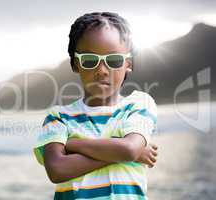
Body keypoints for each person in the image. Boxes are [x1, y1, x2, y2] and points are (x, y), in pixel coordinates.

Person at [33, 12, 158, 200]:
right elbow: (57, 170)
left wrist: (72, 144)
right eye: (90, 61)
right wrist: (122, 152)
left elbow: (129, 149)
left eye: (114, 60)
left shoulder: (138, 104)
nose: (101, 70)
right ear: (76, 64)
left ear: (128, 64)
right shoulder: (58, 116)